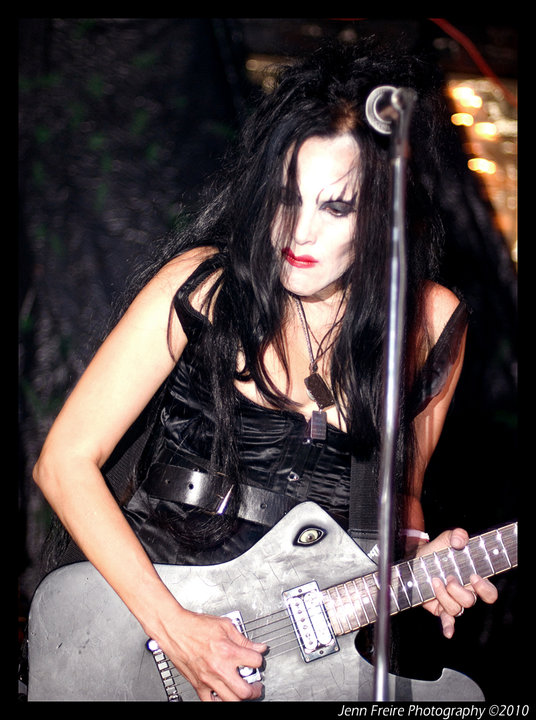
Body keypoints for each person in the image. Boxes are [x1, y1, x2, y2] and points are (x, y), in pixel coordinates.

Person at [32, 38, 498, 702]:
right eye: (286, 196)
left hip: (297, 658)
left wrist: (421, 564)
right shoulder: (203, 287)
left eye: (335, 207)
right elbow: (64, 462)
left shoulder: (428, 324)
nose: (298, 233)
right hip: (149, 624)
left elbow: (399, 501)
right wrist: (177, 631)